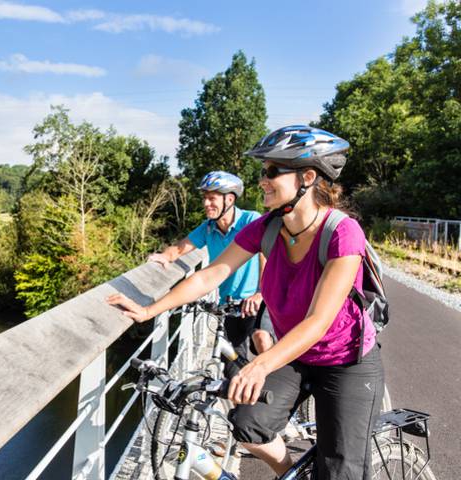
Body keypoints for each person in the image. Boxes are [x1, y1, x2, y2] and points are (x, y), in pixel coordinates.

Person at [107, 126, 384, 479]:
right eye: (262, 172)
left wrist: (259, 365)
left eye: (271, 172)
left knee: (341, 469)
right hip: (295, 355)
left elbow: (319, 320)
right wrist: (150, 309)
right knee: (248, 424)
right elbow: (211, 275)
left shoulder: (343, 233)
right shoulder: (267, 227)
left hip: (345, 360)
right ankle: (294, 475)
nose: (261, 181)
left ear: (307, 177)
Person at [147, 170, 274, 357]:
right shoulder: (208, 228)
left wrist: (260, 293)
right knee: (233, 363)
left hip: (258, 301)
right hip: (230, 304)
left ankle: (279, 381)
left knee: (262, 340)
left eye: (212, 198)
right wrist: (164, 257)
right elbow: (180, 249)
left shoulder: (250, 220)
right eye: (205, 198)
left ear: (229, 200)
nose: (206, 204)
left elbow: (267, 257)